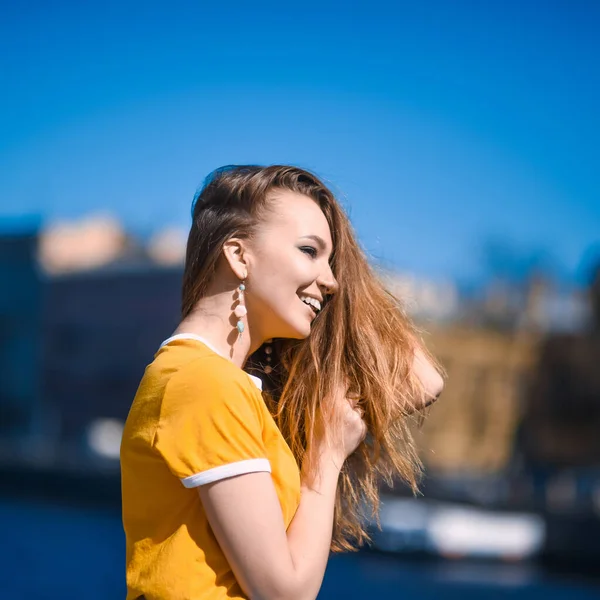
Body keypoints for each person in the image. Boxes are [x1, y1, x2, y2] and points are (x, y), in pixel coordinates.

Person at [120, 165, 444, 600]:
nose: (331, 281)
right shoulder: (203, 383)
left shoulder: (228, 385)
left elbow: (422, 380)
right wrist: (324, 457)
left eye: (332, 263)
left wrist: (344, 266)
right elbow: (284, 593)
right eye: (309, 251)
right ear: (238, 256)